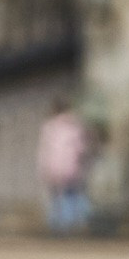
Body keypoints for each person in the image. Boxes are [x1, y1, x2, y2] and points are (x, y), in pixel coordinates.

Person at [36, 100, 93, 235]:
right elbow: (81, 149)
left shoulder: (49, 127)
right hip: (71, 168)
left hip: (53, 167)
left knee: (55, 197)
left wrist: (43, 167)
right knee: (71, 195)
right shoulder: (74, 126)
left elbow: (44, 150)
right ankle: (71, 224)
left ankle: (56, 224)